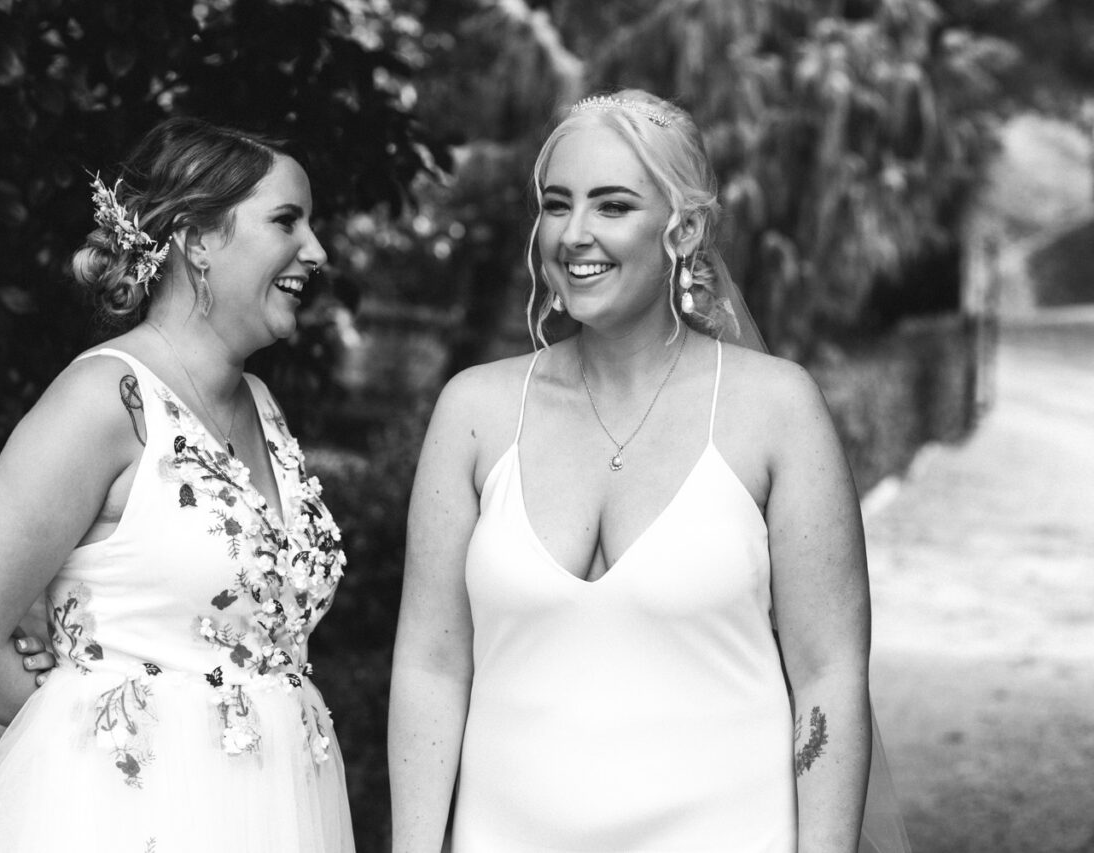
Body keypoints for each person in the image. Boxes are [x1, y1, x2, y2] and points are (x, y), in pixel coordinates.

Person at [388, 90, 910, 852]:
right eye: (556, 205)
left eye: (613, 205)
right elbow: (432, 666)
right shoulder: (474, 411)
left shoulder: (777, 408)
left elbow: (828, 672)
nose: (574, 235)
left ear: (686, 228)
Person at [0, 117, 355, 852]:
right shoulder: (102, 401)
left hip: (279, 816)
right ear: (197, 240)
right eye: (287, 221)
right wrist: (97, 747)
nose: (317, 250)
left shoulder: (263, 405)